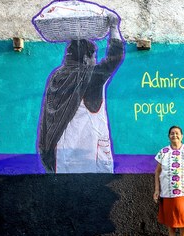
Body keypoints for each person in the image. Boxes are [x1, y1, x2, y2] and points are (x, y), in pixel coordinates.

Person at [37, 11, 124, 173]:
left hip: (61, 154)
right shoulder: (90, 76)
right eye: (94, 56)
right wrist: (113, 28)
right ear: (86, 57)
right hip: (89, 154)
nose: (95, 60)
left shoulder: (56, 77)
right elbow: (115, 57)